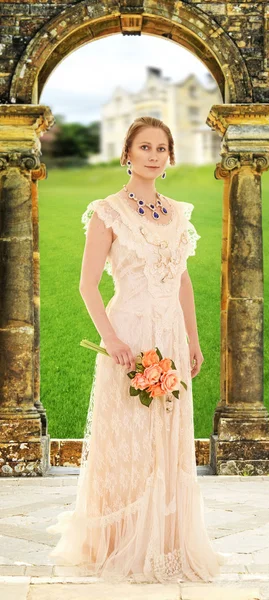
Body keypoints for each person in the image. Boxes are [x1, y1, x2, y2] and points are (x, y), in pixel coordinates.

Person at [46, 116, 227, 583]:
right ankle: (119, 540)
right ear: (127, 153)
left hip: (169, 334)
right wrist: (112, 339)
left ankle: (166, 542)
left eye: (161, 148)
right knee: (127, 438)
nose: (153, 154)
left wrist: (193, 339)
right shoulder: (107, 212)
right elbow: (88, 286)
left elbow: (182, 280)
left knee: (167, 438)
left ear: (169, 157)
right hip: (128, 335)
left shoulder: (177, 213)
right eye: (144, 147)